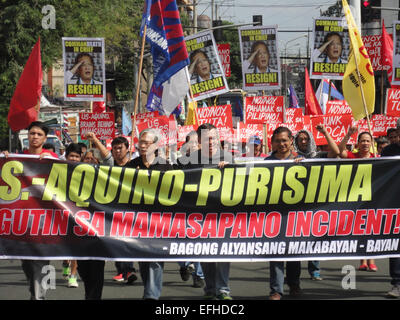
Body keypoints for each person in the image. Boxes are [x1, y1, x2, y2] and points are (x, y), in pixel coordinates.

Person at [1, 121, 58, 300]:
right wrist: (5, 159)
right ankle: (36, 291)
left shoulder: (52, 158)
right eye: (32, 133)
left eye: (38, 134)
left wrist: (49, 163)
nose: (34, 137)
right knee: (27, 263)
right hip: (24, 220)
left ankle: (38, 296)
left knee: (40, 260)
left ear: (44, 138)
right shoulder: (18, 158)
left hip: (44, 220)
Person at [177, 123, 234, 300]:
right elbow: (180, 184)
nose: (211, 142)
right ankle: (210, 290)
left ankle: (223, 290)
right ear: (199, 141)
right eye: (207, 139)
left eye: (214, 138)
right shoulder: (189, 160)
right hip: (199, 216)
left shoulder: (227, 158)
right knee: (206, 254)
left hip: (222, 215)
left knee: (223, 254)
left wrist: (229, 170)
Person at [125, 128, 173, 300]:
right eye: (141, 142)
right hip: (138, 222)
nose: (142, 145)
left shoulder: (166, 166)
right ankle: (149, 291)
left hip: (159, 222)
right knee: (144, 261)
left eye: (146, 142)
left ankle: (151, 295)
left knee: (155, 260)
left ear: (156, 145)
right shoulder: (131, 165)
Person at [85, 133, 138, 284]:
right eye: (114, 149)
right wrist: (95, 140)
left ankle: (128, 270)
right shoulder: (110, 166)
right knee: (116, 241)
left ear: (128, 149)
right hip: (112, 211)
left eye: (120, 148)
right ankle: (124, 270)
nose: (117, 151)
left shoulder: (136, 165)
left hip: (131, 210)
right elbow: (107, 157)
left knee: (127, 240)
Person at [293, 124, 341, 281]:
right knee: (296, 238)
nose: (304, 142)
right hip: (296, 203)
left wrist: (325, 132)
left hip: (315, 203)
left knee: (314, 236)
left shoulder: (318, 155)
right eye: (300, 140)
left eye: (306, 139)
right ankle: (294, 274)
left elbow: (336, 152)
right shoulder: (292, 158)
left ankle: (315, 270)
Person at [265, 126, 302, 300]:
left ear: (291, 141)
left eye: (285, 140)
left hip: (295, 216)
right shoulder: (265, 162)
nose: (282, 144)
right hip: (274, 216)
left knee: (294, 252)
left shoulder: (300, 160)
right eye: (278, 141)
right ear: (272, 142)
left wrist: (303, 166)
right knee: (276, 252)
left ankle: (294, 284)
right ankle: (276, 290)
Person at [338, 126, 378, 272]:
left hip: (375, 197)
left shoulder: (379, 158)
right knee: (361, 229)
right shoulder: (352, 157)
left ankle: (372, 260)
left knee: (373, 229)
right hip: (358, 198)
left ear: (372, 143)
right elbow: (340, 151)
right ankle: (363, 261)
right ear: (358, 144)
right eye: (362, 141)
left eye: (368, 141)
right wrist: (349, 134)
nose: (365, 143)